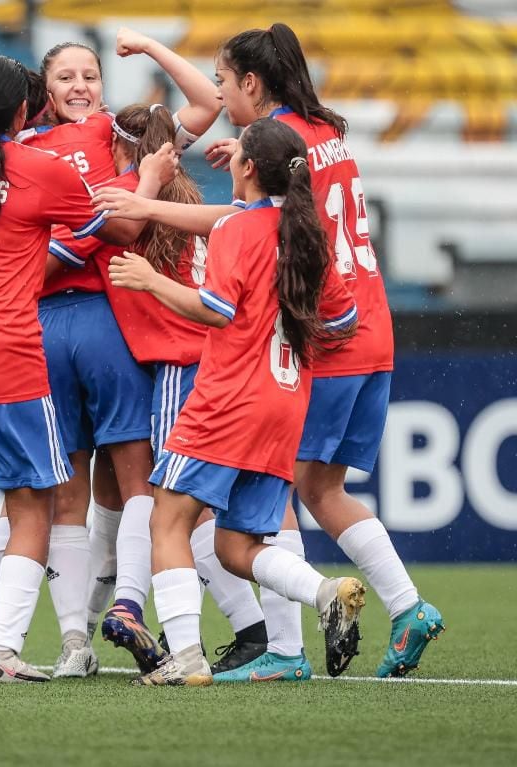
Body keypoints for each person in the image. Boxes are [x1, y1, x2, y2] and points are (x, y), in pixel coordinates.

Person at [0, 52, 175, 684]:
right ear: (25, 109)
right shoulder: (39, 171)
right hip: (2, 357)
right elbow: (121, 230)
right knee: (31, 505)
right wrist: (148, 178)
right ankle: (0, 651)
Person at [12, 29, 268, 678]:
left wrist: (151, 50)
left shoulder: (109, 136)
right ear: (43, 90)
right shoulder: (57, 145)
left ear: (104, 85)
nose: (79, 86)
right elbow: (207, 105)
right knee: (125, 489)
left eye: (90, 75)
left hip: (89, 324)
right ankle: (99, 624)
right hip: (93, 326)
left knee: (92, 491)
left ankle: (78, 630)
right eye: (65, 76)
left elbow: (205, 102)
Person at [203, 23, 443, 679]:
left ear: (253, 82)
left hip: (327, 337)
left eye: (224, 82)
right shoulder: (324, 132)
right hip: (372, 326)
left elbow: (252, 225)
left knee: (272, 489)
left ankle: (284, 649)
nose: (221, 95)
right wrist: (252, 153)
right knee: (320, 486)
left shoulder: (282, 146)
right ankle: (408, 607)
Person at [109, 117, 364, 686]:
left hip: (229, 400)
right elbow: (345, 320)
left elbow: (216, 310)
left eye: (236, 155)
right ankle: (325, 590)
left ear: (249, 168)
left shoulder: (237, 231)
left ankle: (186, 659)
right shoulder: (306, 234)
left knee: (169, 518)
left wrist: (150, 279)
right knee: (234, 544)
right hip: (284, 402)